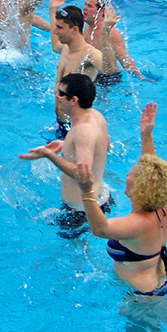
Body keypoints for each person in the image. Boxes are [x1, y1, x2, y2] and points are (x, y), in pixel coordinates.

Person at [72, 103, 167, 296]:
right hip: (161, 280)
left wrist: (86, 191)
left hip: (144, 298)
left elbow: (100, 229)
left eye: (132, 173)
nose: (128, 173)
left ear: (140, 187)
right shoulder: (160, 207)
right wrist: (146, 135)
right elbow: (151, 168)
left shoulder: (138, 223)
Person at [19, 72, 112, 238]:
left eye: (61, 93)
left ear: (74, 100)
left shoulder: (84, 130)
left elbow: (83, 174)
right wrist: (66, 146)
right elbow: (104, 147)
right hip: (101, 197)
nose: (57, 96)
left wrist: (49, 155)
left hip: (79, 212)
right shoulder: (96, 116)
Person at [47, 1, 103, 134]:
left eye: (59, 27)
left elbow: (109, 69)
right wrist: (52, 8)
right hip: (61, 123)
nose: (55, 31)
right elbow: (55, 45)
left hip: (76, 127)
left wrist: (105, 32)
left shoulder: (90, 54)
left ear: (74, 30)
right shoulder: (65, 47)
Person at [82, 0, 145, 83]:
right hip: (92, 73)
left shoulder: (111, 33)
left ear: (101, 11)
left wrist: (141, 78)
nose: (84, 8)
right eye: (85, 5)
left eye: (89, 6)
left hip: (109, 78)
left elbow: (125, 60)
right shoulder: (88, 26)